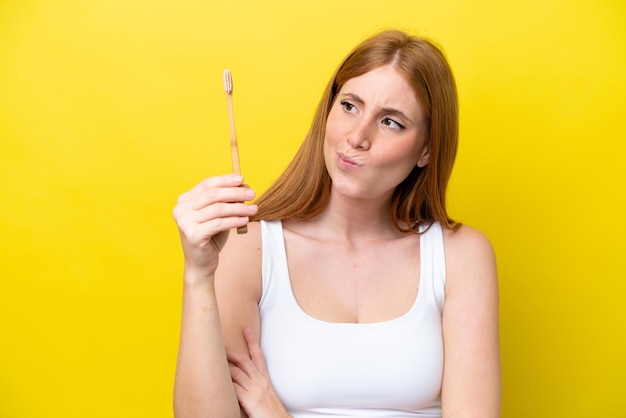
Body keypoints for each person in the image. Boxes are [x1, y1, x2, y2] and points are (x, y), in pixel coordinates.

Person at [173, 29, 501, 418]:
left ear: (426, 149)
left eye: (391, 122)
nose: (357, 136)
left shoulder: (461, 256)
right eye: (349, 106)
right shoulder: (249, 247)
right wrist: (198, 275)